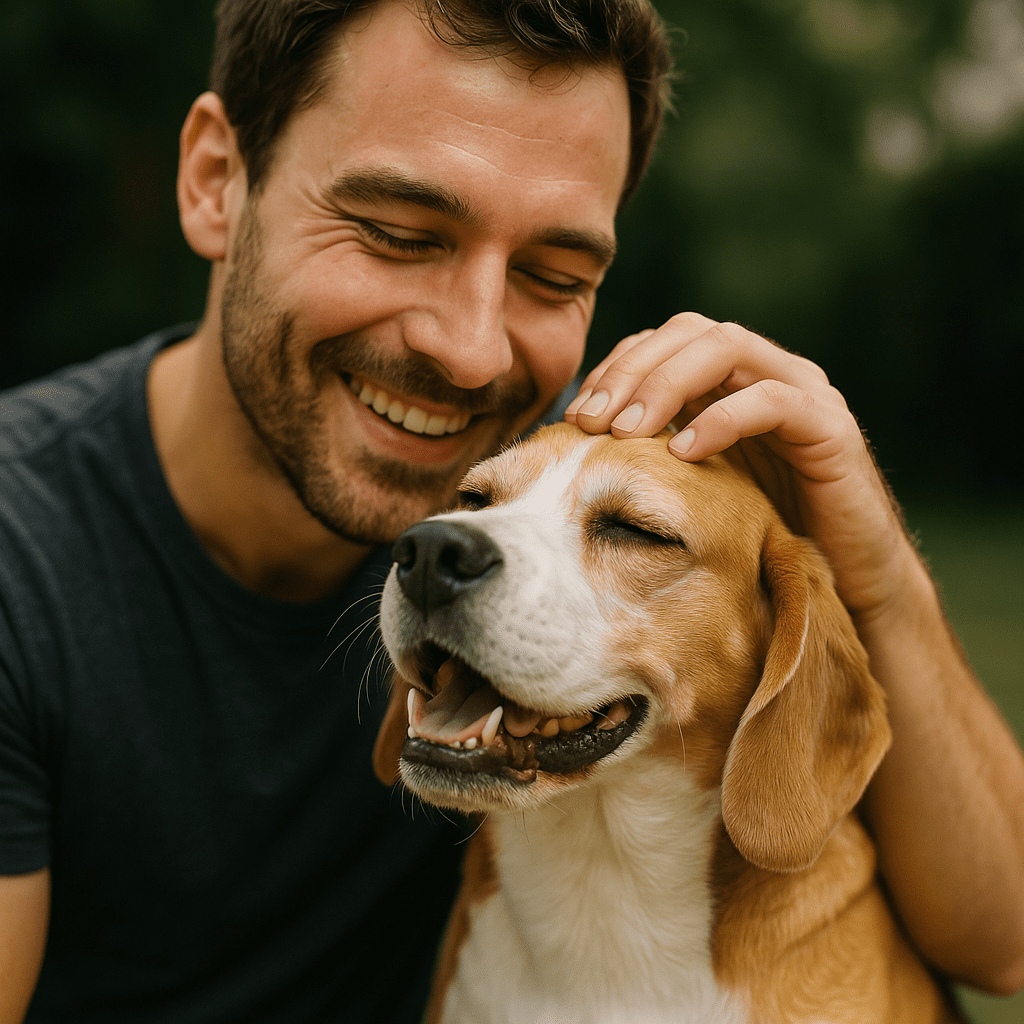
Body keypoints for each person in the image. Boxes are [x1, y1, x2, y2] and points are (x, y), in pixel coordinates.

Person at [1, 1, 1022, 1021]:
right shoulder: (23, 551)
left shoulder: (541, 459)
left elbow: (1004, 940)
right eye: (398, 234)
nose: (473, 349)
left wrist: (874, 565)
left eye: (552, 274)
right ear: (216, 179)